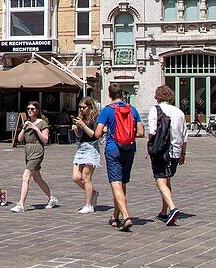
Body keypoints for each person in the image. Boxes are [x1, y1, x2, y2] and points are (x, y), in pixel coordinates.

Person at [94, 83, 142, 231]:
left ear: (110, 95)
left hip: (113, 148)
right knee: (122, 184)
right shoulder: (132, 110)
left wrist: (108, 129)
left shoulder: (107, 110)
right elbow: (141, 132)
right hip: (129, 148)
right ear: (123, 94)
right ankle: (115, 215)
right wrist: (128, 135)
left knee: (116, 183)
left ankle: (126, 216)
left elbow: (97, 134)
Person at [147, 85, 188, 226]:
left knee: (160, 179)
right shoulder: (179, 112)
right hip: (175, 151)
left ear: (157, 96)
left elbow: (152, 131)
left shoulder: (155, 109)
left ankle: (172, 207)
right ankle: (164, 212)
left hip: (160, 150)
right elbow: (185, 135)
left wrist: (150, 144)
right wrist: (183, 153)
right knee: (167, 179)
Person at [11, 101, 58, 212]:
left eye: (32, 109)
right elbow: (19, 139)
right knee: (37, 178)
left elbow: (45, 140)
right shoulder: (26, 123)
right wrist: (24, 128)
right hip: (28, 150)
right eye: (28, 109)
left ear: (37, 110)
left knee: (26, 176)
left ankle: (21, 204)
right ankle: (52, 198)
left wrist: (36, 129)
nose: (30, 111)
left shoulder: (42, 123)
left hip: (37, 150)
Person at [71, 97, 101, 214]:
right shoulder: (81, 118)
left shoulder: (96, 118)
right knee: (76, 177)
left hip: (91, 147)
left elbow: (93, 135)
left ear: (90, 107)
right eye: (80, 107)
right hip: (81, 147)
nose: (82, 109)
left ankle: (89, 205)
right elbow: (80, 136)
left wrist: (82, 125)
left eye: (84, 107)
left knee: (86, 177)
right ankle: (93, 193)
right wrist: (76, 129)